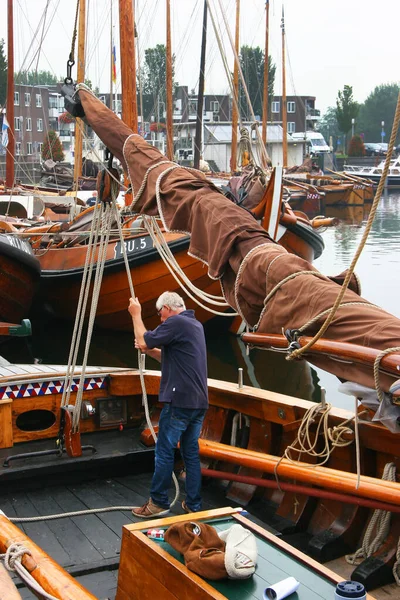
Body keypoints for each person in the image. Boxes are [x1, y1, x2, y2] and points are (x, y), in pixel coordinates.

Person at [128, 291, 208, 518]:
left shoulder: (176, 322)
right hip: (198, 402)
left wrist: (136, 314)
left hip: (179, 402)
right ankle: (193, 504)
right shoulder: (194, 325)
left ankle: (159, 502)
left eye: (160, 314)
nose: (161, 320)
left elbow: (143, 338)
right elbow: (168, 357)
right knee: (190, 454)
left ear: (167, 308)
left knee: (164, 451)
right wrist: (149, 349)